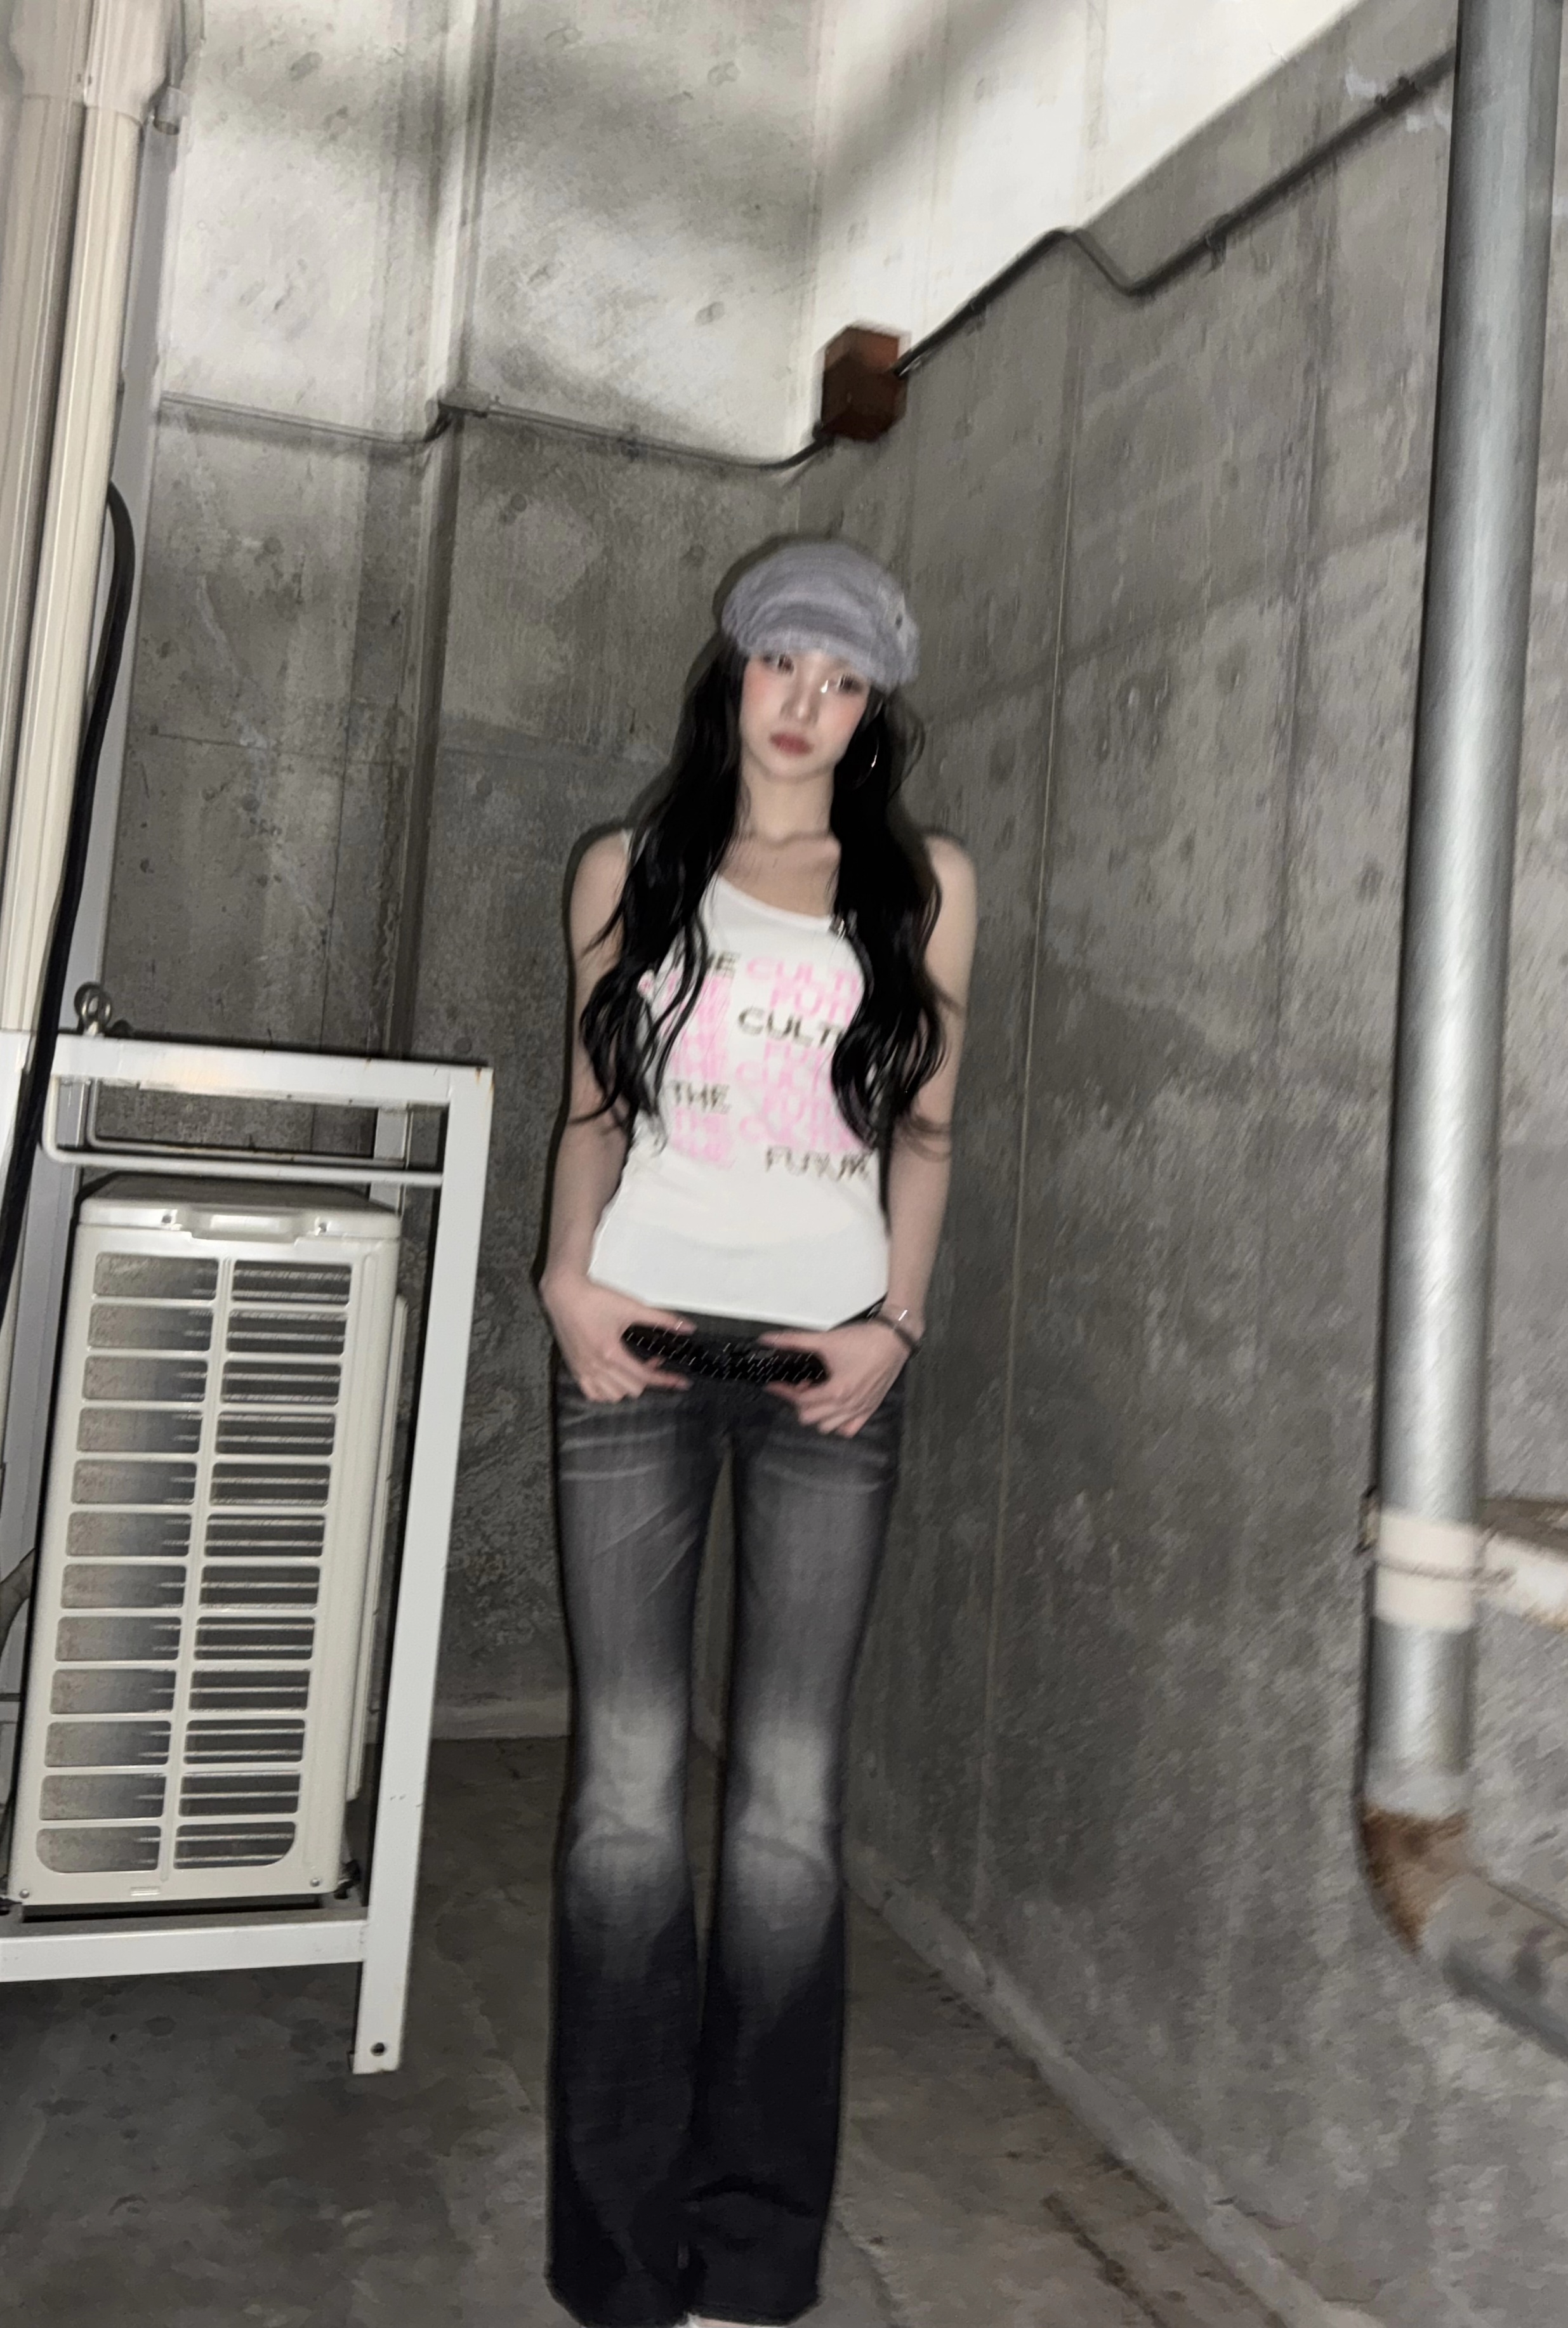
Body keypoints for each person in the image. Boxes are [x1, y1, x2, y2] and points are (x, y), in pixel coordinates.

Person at [538, 538, 977, 2328]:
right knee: (626, 1799)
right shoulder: (626, 869)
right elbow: (592, 1108)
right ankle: (619, 2263)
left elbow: (927, 1136)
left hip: (827, 1373)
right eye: (785, 662)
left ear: (871, 714)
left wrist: (897, 1325)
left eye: (844, 679)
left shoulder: (925, 888)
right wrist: (564, 1279)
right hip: (630, 1348)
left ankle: (754, 2259)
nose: (806, 701)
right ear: (734, 673)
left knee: (788, 1804)